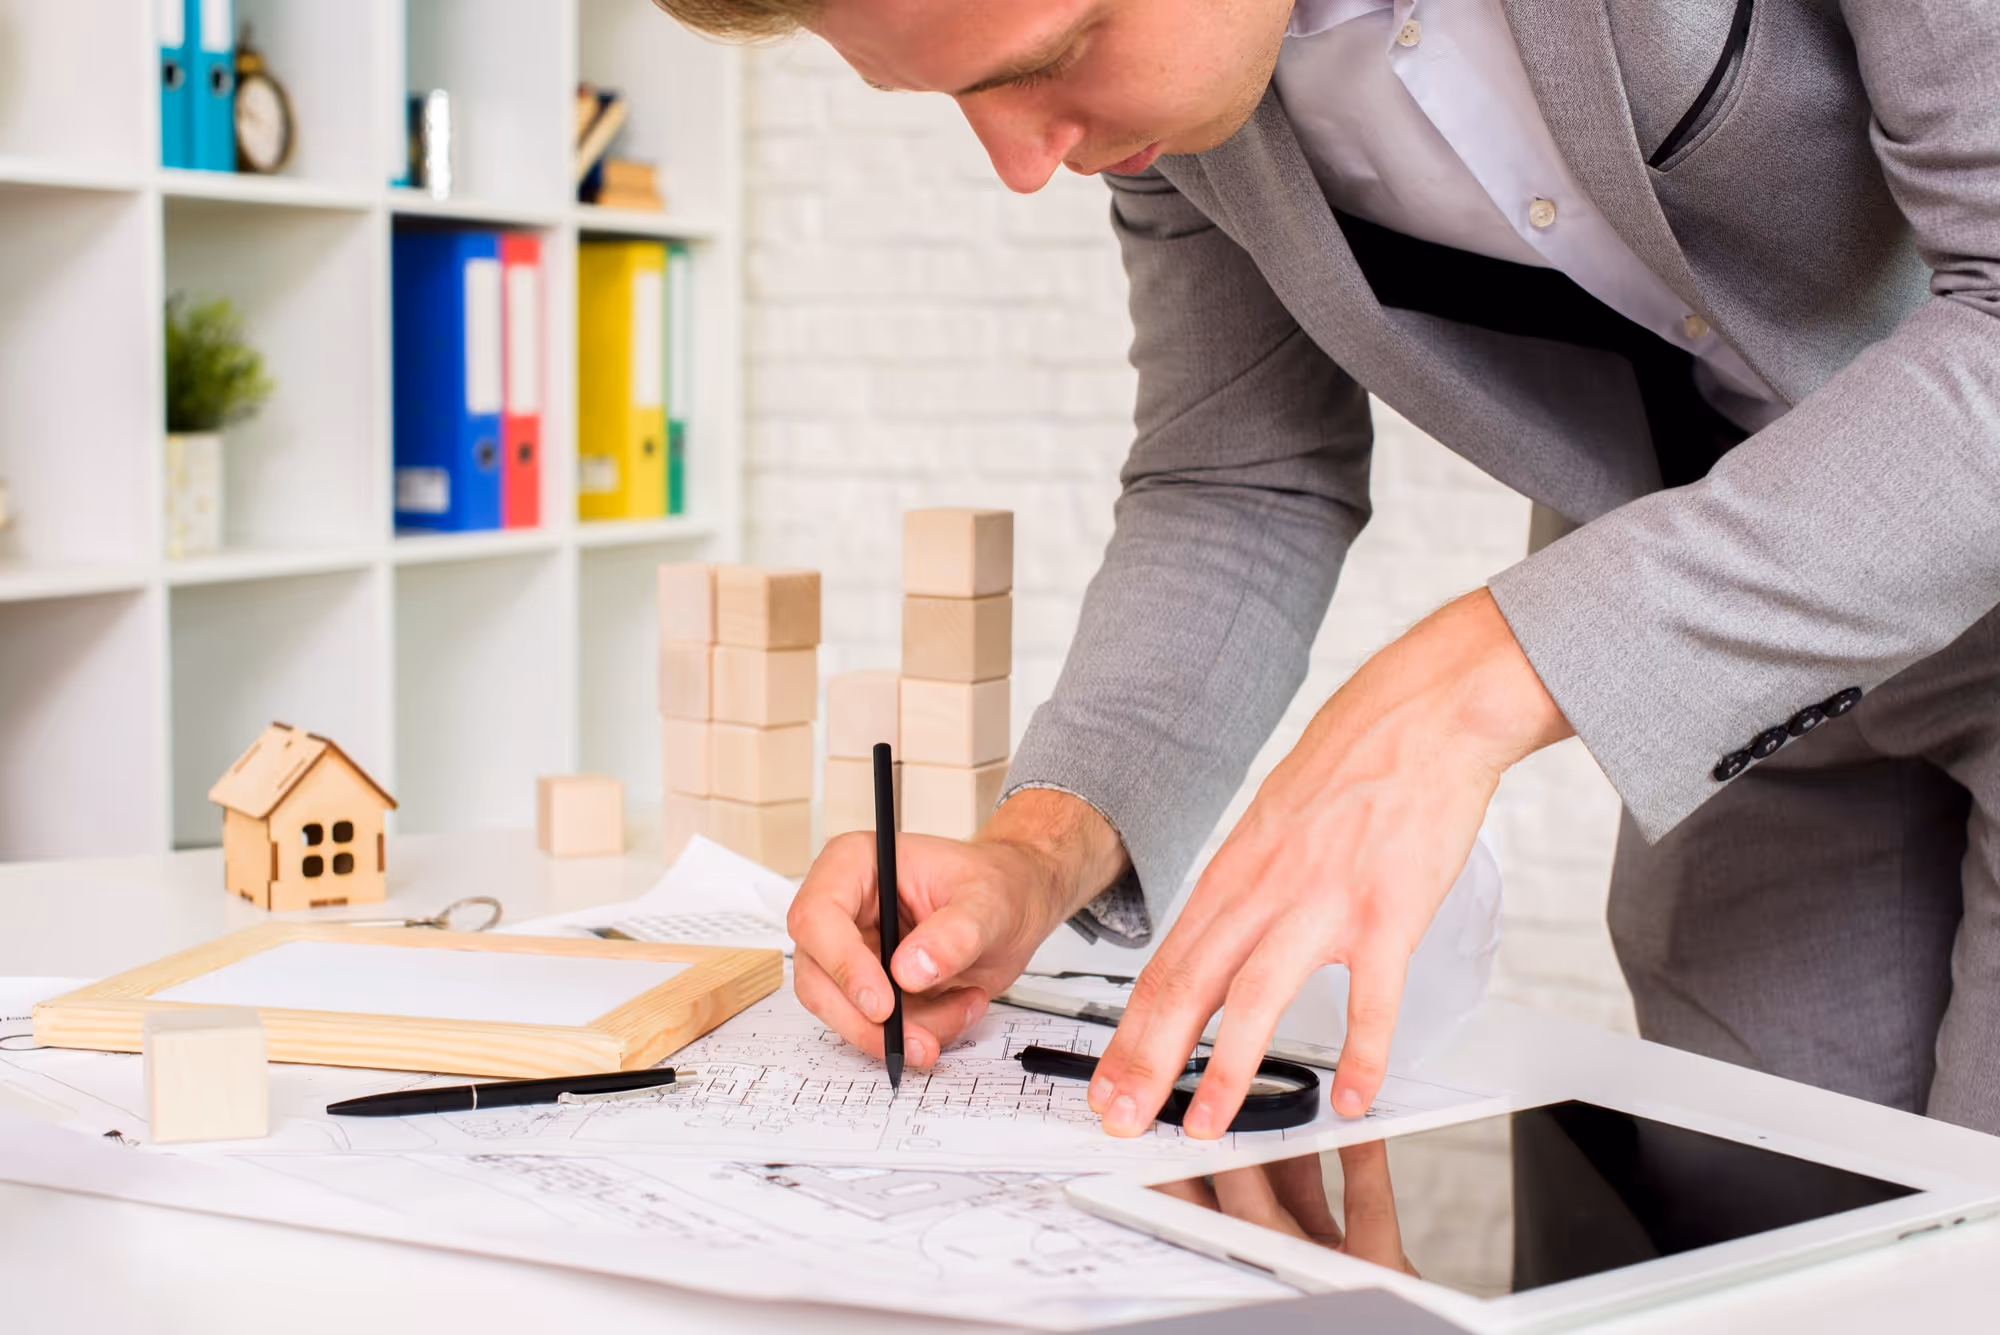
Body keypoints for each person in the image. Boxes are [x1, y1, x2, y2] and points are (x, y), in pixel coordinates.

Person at [652, 0, 2000, 1138]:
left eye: (1054, 50)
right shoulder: (1186, 124)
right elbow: (1240, 473)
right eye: (952, 99)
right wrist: (1038, 852)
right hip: (1744, 728)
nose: (1021, 161)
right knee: (1764, 1251)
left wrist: (1477, 679)